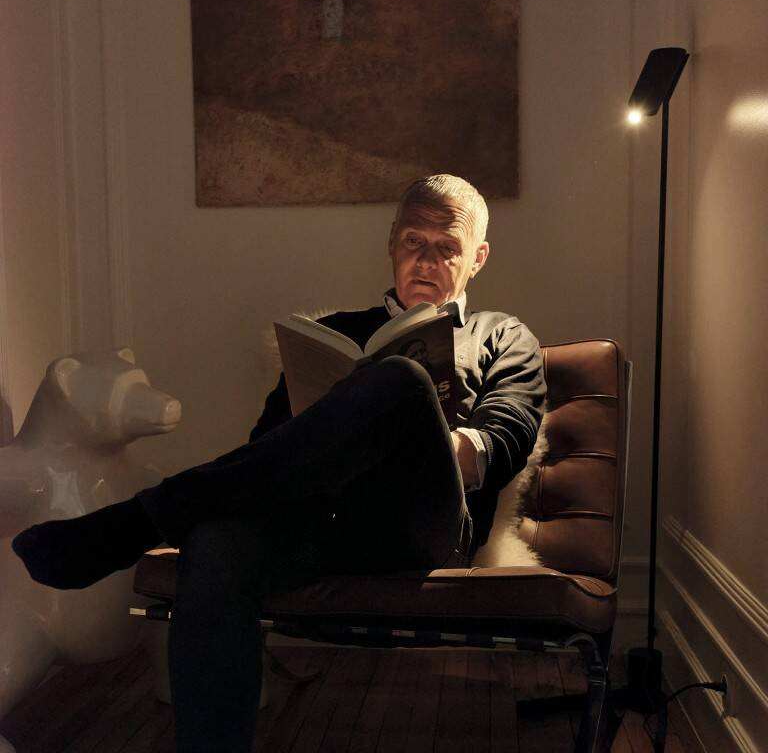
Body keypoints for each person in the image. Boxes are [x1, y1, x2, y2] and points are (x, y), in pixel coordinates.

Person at [13, 174, 546, 752]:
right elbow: (265, 448)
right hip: (321, 524)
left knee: (399, 377)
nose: (426, 261)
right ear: (392, 242)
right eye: (414, 241)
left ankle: (139, 520)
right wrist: (329, 433)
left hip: (425, 525)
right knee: (215, 542)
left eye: (447, 248)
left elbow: (507, 438)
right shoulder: (331, 335)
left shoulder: (504, 335)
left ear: (478, 259)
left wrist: (409, 426)